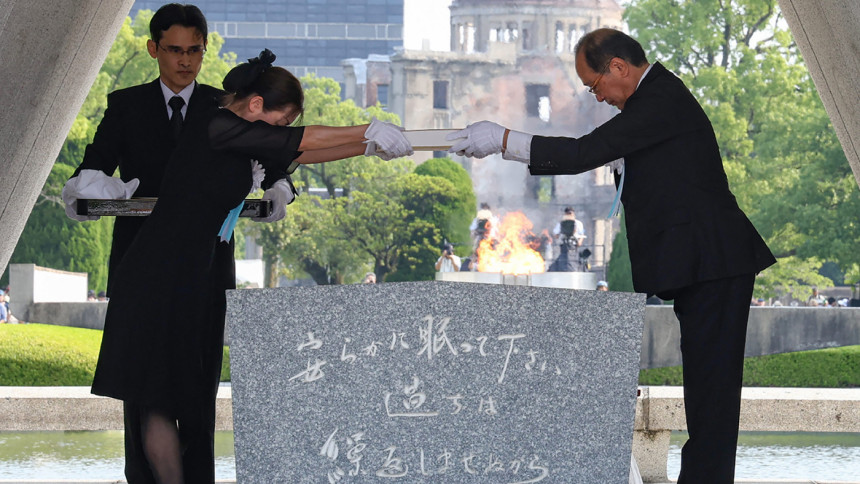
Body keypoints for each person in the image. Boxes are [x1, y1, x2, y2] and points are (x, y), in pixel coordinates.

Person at [447, 28, 776, 484]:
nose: (596, 97)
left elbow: (583, 152)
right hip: (707, 264)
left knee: (713, 392)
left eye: (594, 85)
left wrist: (503, 140)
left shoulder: (659, 99)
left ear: (618, 67)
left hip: (715, 262)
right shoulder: (655, 100)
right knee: (707, 390)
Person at [89, 49, 412, 483]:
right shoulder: (215, 123)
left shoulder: (237, 131)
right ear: (255, 104)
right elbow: (295, 141)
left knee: (169, 401)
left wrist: (366, 148)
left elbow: (294, 153)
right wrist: (368, 129)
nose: (279, 130)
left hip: (182, 279)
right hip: (157, 279)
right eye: (279, 120)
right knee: (158, 403)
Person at [59, 6, 296, 482]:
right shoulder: (124, 105)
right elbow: (93, 166)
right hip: (141, 264)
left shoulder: (224, 105)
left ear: (205, 51)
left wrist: (281, 190)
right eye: (174, 50)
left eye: (194, 50)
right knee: (143, 389)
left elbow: (279, 159)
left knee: (199, 384)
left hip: (206, 266)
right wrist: (84, 188)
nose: (184, 61)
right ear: (153, 49)